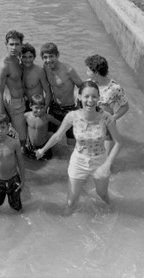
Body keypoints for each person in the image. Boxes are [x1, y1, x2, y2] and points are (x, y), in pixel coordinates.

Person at [35, 81, 122, 214]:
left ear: (99, 98)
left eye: (94, 96)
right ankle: (65, 228)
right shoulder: (72, 116)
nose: (90, 100)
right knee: (71, 203)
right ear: (79, 97)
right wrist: (42, 150)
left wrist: (107, 165)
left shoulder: (106, 117)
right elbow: (58, 136)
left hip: (99, 161)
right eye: (86, 96)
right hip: (79, 161)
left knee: (102, 195)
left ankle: (114, 214)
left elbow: (118, 142)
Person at [85, 54, 129, 155]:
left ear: (96, 72)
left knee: (105, 158)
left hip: (107, 127)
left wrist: (113, 118)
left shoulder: (114, 88)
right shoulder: (89, 83)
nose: (86, 72)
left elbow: (125, 106)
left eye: (88, 70)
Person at [40, 42, 83, 145]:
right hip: (54, 107)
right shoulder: (46, 67)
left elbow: (81, 86)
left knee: (71, 144)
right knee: (49, 140)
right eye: (45, 57)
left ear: (57, 55)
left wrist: (80, 104)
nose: (48, 60)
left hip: (69, 109)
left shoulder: (68, 70)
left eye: (51, 56)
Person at [0, 30, 27, 147]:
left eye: (17, 44)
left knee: (20, 135)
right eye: (11, 44)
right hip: (14, 104)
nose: (14, 47)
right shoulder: (4, 65)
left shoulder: (19, 59)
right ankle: (22, 162)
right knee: (22, 139)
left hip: (22, 101)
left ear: (21, 45)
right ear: (6, 45)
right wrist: (1, 116)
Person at [23, 94, 61, 160]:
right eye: (36, 107)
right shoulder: (26, 116)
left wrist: (55, 135)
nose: (39, 110)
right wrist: (26, 140)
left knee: (47, 163)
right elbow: (24, 127)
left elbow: (59, 124)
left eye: (41, 107)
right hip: (30, 145)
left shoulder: (47, 117)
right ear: (30, 106)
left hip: (43, 146)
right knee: (28, 161)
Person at [20, 43, 52, 112]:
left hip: (38, 106)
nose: (27, 60)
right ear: (20, 57)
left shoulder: (39, 71)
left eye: (30, 57)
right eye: (24, 57)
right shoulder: (19, 69)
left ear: (34, 57)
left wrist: (45, 109)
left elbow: (48, 92)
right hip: (24, 105)